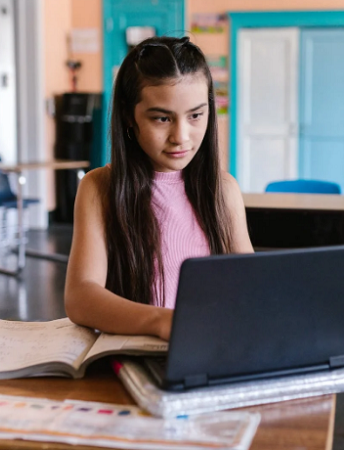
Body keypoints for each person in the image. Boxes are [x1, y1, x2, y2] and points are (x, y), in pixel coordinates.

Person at [65, 36, 254, 341]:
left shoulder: (224, 189)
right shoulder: (99, 188)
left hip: (211, 348)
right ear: (130, 115)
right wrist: (162, 321)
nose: (181, 136)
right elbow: (80, 297)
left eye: (196, 115)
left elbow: (251, 284)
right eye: (162, 118)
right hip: (136, 356)